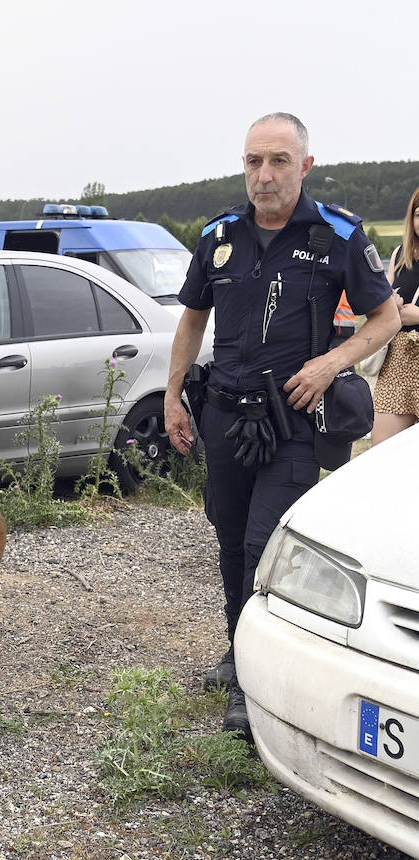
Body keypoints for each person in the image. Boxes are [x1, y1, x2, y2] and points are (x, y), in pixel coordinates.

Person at [164, 113, 398, 741]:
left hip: (294, 419)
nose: (263, 176)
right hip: (225, 415)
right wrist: (172, 396)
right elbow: (190, 321)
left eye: (278, 162)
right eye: (252, 163)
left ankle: (252, 679)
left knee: (266, 544)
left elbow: (387, 318)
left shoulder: (339, 235)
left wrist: (330, 363)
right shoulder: (218, 235)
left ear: (305, 166)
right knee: (230, 537)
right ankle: (235, 646)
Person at [371, 188, 419, 445]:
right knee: (383, 451)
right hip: (398, 359)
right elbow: (383, 301)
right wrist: (389, 302)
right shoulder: (401, 255)